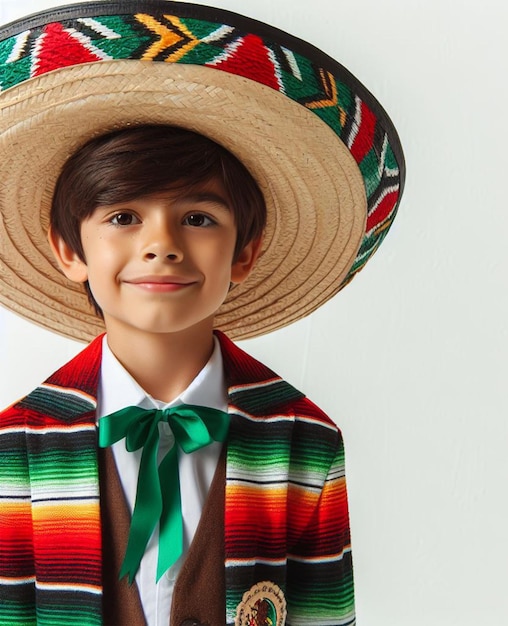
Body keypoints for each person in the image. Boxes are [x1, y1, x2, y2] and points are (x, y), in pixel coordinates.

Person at [0, 2, 405, 625]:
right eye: (122, 217)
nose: (161, 245)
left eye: (198, 218)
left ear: (245, 252)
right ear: (68, 251)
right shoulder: (16, 445)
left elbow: (327, 615)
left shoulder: (302, 438)